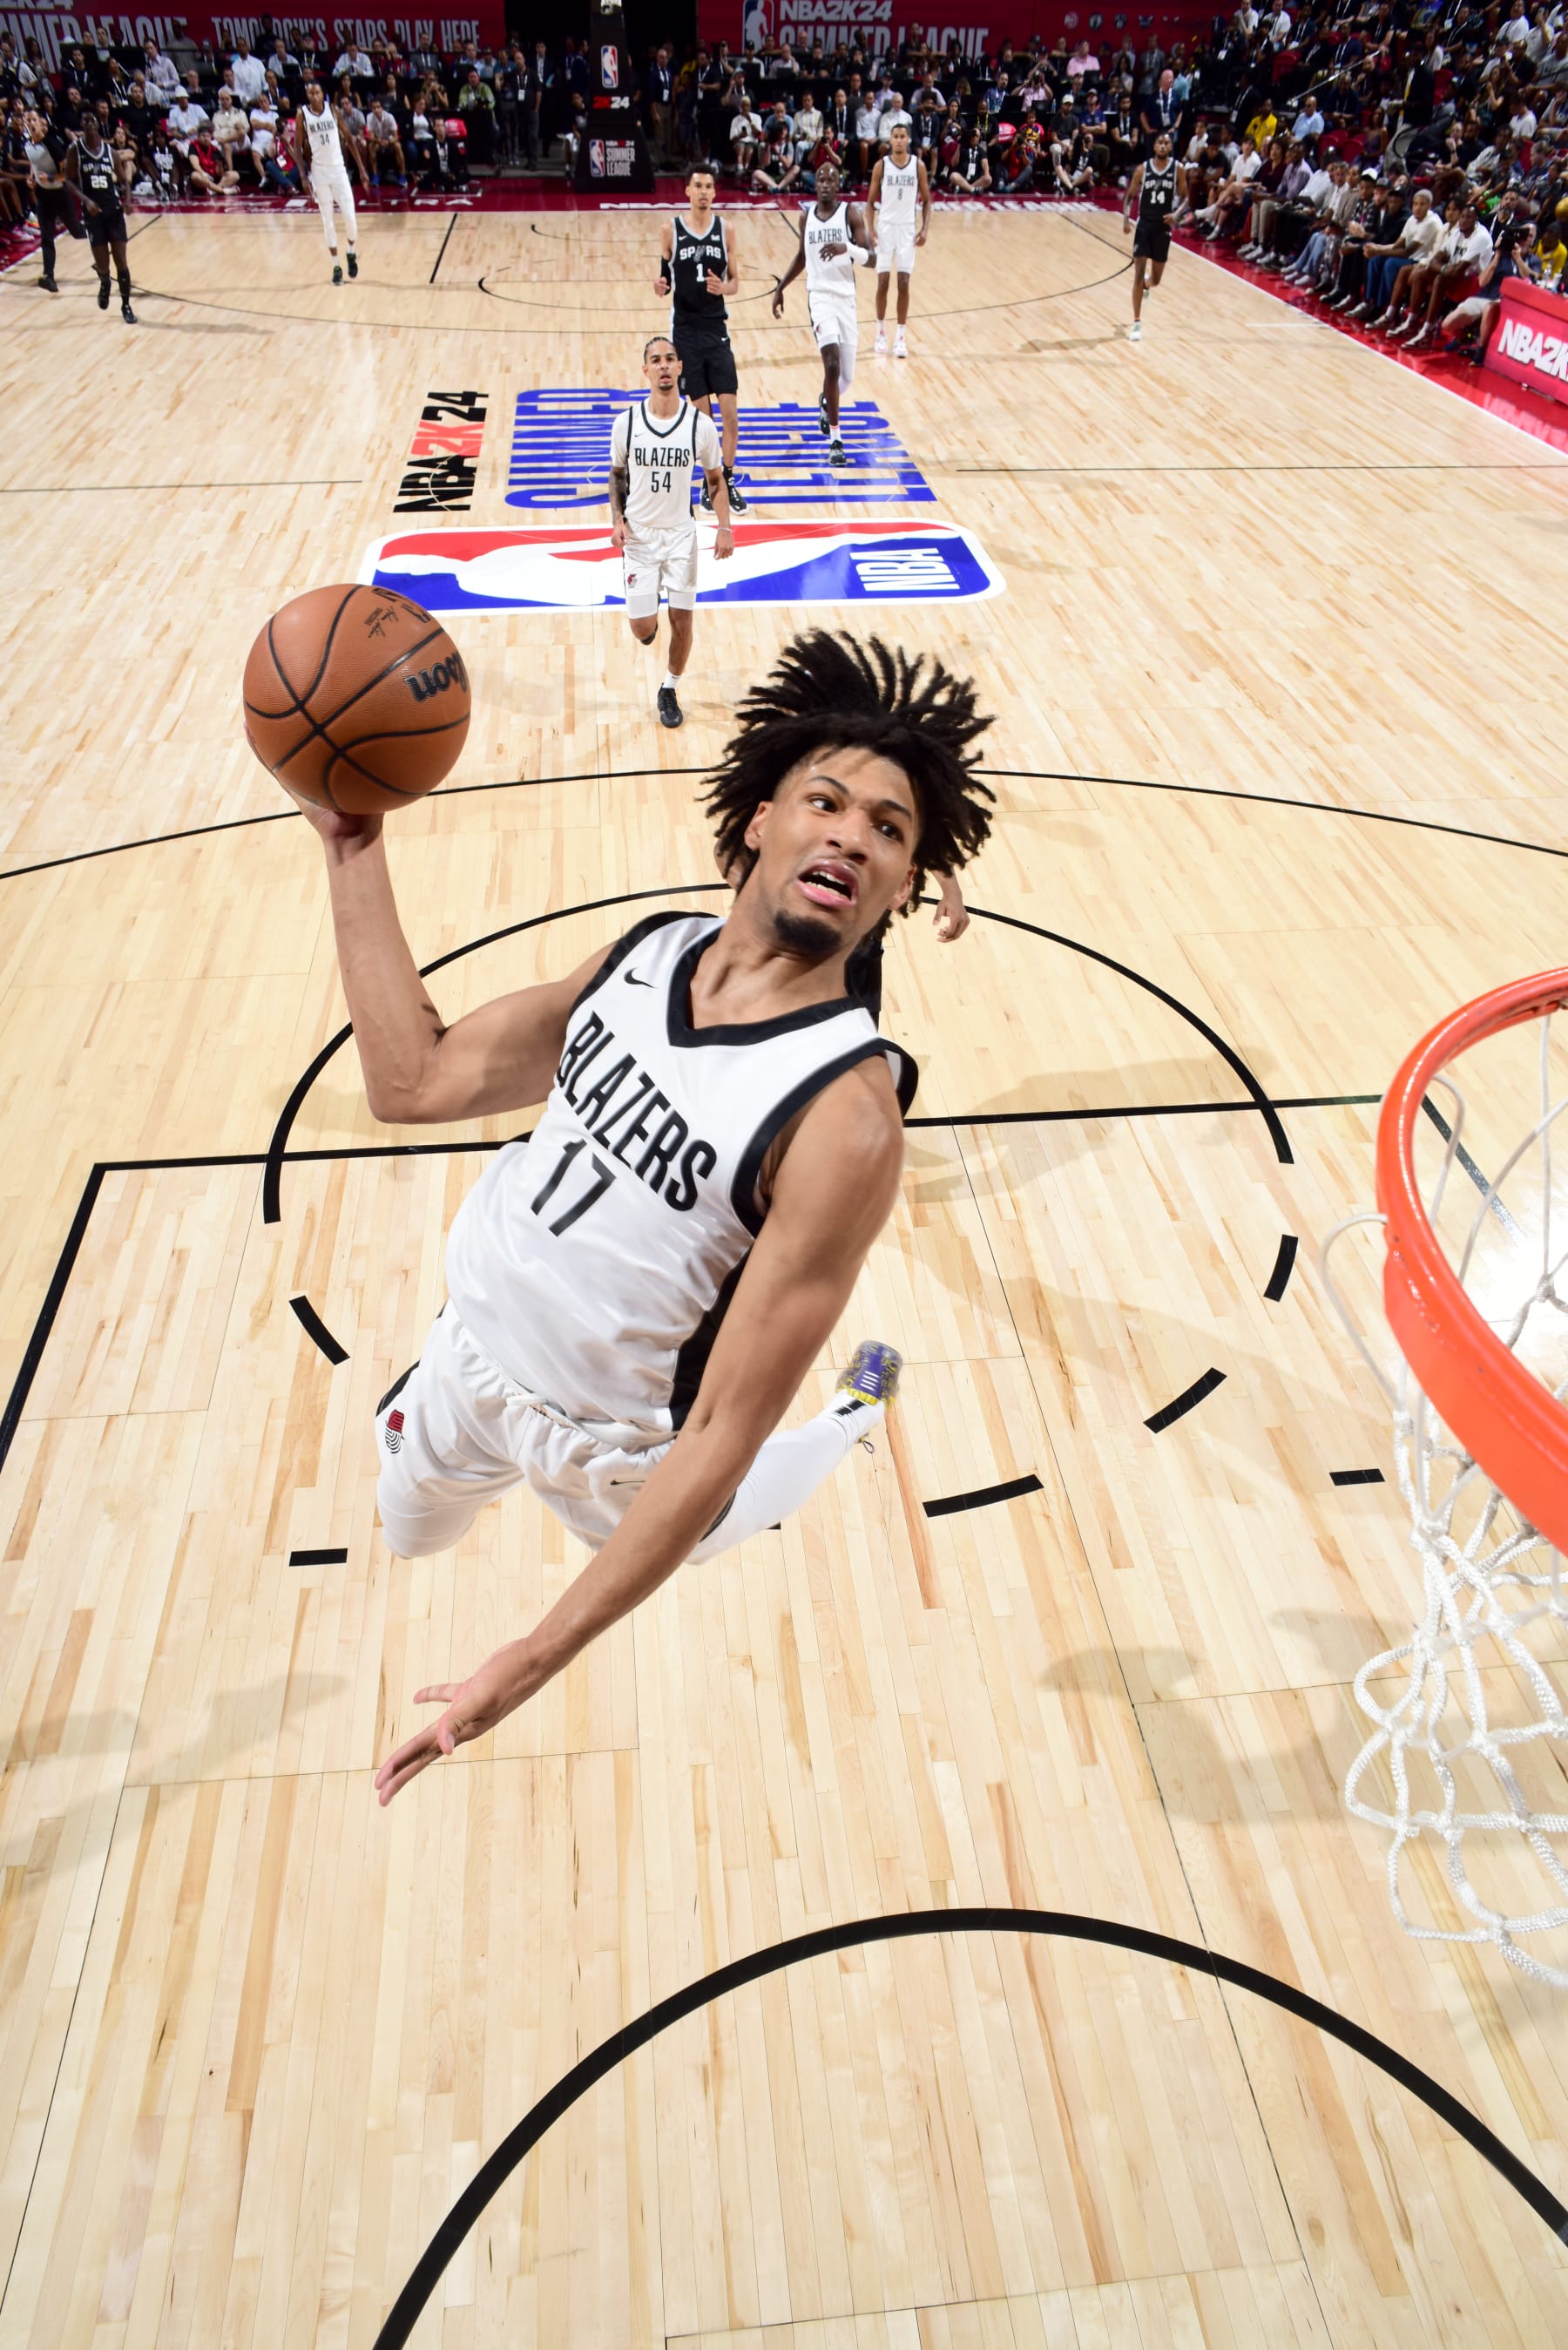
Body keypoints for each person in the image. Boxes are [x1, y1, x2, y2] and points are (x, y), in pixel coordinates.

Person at [297, 633, 998, 1805]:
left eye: (889, 829)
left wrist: (532, 1659)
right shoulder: (647, 952)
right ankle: (434, 1420)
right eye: (827, 801)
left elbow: (723, 1427)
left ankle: (852, 1415)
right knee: (409, 1531)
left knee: (741, 1494)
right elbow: (412, 1082)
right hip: (467, 1357)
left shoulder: (845, 1118)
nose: (852, 834)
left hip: (621, 1454)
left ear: (904, 887)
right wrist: (352, 844)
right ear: (759, 820)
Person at [608, 335, 734, 730]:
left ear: (680, 367)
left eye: (670, 359)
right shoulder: (627, 423)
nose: (663, 365)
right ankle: (648, 613)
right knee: (643, 628)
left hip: (681, 535)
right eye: (656, 360)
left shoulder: (700, 425)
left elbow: (715, 480)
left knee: (683, 621)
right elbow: (617, 475)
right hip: (640, 537)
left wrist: (725, 527)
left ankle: (669, 688)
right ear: (645, 370)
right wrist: (617, 519)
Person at [657, 166, 750, 516]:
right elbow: (664, 275)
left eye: (709, 186)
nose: (704, 192)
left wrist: (724, 287)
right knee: (704, 421)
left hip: (716, 329)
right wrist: (660, 285)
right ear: (687, 190)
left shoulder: (726, 230)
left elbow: (736, 281)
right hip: (686, 332)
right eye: (698, 186)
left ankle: (726, 480)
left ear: (714, 192)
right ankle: (709, 484)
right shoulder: (671, 229)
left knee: (731, 416)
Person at [772, 156, 875, 470]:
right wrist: (781, 288)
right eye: (821, 180)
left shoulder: (850, 214)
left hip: (846, 299)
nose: (826, 184)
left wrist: (848, 249)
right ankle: (836, 440)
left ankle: (825, 401)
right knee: (831, 364)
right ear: (815, 185)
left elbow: (872, 258)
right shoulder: (807, 217)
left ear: (838, 184)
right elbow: (802, 256)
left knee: (846, 377)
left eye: (831, 179)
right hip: (819, 298)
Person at [868, 115, 929, 356]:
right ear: (890, 140)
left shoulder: (918, 166)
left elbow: (927, 201)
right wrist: (871, 229)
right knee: (883, 282)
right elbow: (869, 202)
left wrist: (924, 229)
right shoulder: (881, 165)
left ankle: (901, 337)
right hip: (885, 228)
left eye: (903, 136)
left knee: (904, 283)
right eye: (895, 136)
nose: (899, 140)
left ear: (908, 139)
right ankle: (880, 332)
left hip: (906, 229)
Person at [66, 109, 134, 320]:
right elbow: (68, 180)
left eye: (92, 120)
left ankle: (126, 305)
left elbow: (124, 181)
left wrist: (128, 201)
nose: (89, 124)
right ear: (81, 125)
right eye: (85, 121)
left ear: (97, 124)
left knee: (121, 261)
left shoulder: (110, 152)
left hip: (113, 210)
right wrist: (86, 201)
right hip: (93, 213)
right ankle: (105, 281)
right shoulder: (75, 150)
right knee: (103, 265)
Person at [1123, 130, 1185, 340]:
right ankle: (1137, 322)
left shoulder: (1178, 169)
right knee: (1138, 273)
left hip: (1163, 228)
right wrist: (1126, 219)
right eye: (1160, 142)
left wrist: (1177, 214)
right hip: (1144, 226)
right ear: (1154, 146)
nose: (1163, 146)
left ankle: (1148, 285)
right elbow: (1129, 196)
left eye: (1166, 143)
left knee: (1156, 279)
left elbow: (1187, 197)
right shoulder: (1143, 169)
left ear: (1171, 146)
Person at [295, 79, 358, 284]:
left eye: (317, 92)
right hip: (319, 172)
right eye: (311, 93)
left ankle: (351, 252)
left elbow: (348, 137)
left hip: (338, 170)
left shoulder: (332, 110)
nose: (314, 96)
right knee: (328, 222)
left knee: (350, 219)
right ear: (307, 96)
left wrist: (362, 169)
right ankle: (336, 266)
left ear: (323, 94)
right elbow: (297, 147)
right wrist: (303, 175)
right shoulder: (302, 115)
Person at [23, 105, 72, 292]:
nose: (31, 123)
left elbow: (68, 173)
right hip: (43, 195)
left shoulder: (51, 143)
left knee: (76, 231)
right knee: (46, 236)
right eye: (28, 120)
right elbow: (34, 163)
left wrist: (51, 178)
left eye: (34, 120)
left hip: (59, 193)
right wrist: (31, 178)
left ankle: (100, 237)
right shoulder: (28, 144)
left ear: (40, 122)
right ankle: (48, 276)